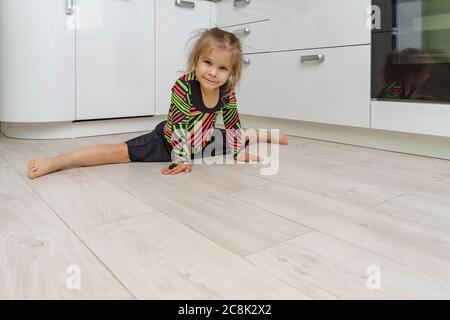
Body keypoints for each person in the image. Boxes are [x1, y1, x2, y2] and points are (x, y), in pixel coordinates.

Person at [27, 27, 288, 179]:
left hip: (202, 138)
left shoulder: (227, 90)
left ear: (231, 73)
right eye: (208, 63)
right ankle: (58, 161)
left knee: (234, 135)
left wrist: (235, 151)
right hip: (169, 140)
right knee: (117, 153)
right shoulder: (184, 86)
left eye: (222, 68)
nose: (213, 72)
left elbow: (231, 122)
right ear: (196, 60)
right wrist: (183, 158)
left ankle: (261, 134)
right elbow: (178, 126)